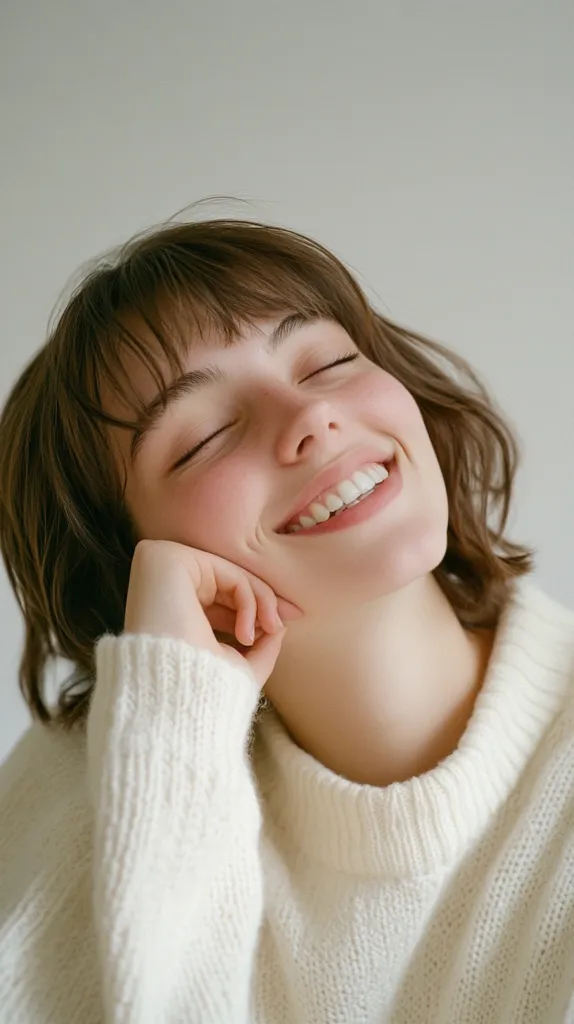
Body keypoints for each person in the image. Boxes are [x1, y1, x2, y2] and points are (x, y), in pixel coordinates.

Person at [0, 215, 573, 1024]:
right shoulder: (77, 793)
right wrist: (173, 719)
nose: (310, 417)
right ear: (125, 565)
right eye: (203, 437)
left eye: (329, 362)